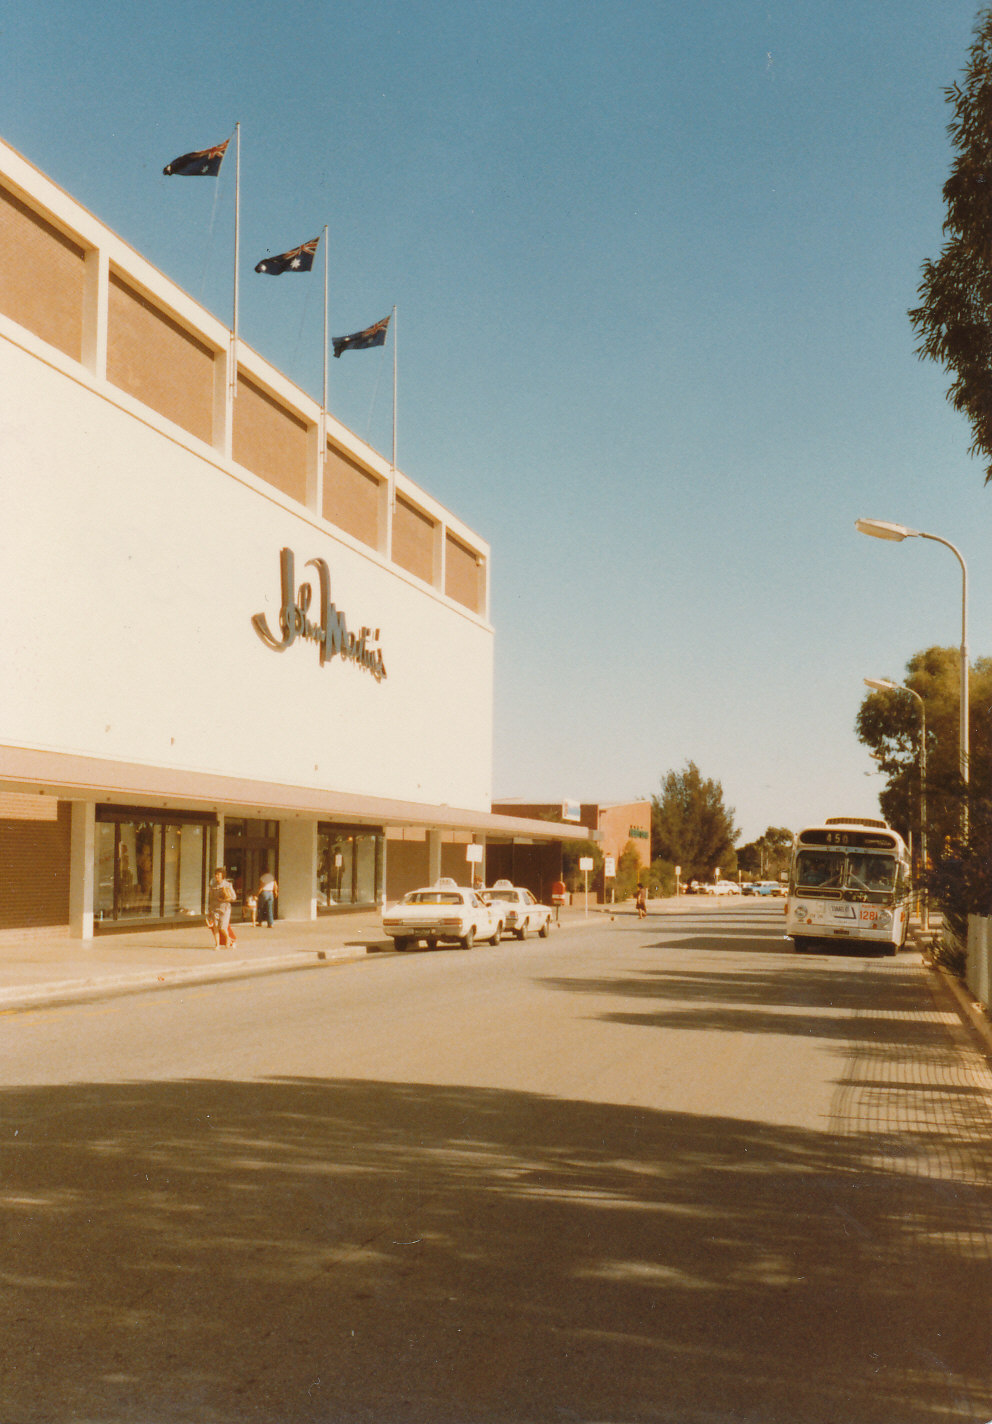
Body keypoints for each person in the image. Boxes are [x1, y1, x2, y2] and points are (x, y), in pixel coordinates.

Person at [207, 866, 238, 949]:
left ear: (222, 876)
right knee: (215, 927)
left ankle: (229, 939)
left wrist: (225, 899)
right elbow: (211, 898)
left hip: (225, 909)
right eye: (216, 874)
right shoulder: (213, 885)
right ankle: (217, 945)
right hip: (215, 909)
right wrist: (209, 910)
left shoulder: (227, 885)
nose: (216, 876)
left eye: (218, 875)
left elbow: (234, 897)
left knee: (223, 927)